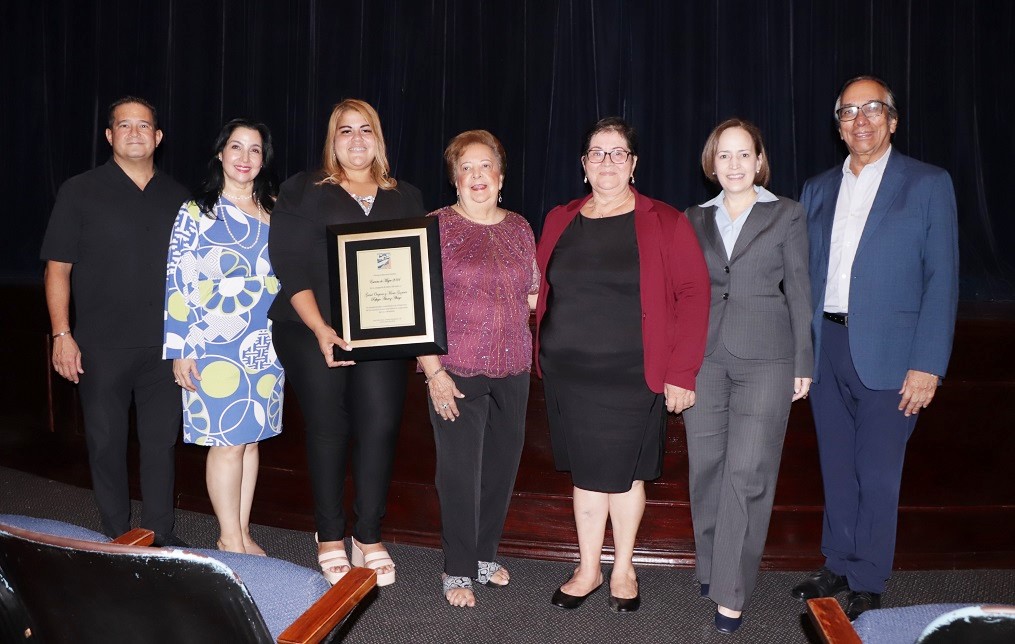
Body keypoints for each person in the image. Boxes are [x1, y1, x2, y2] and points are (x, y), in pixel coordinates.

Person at [791, 76, 959, 620]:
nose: (860, 120)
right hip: (827, 346)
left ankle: (867, 576)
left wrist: (928, 364)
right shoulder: (817, 188)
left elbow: (942, 278)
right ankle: (837, 562)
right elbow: (807, 277)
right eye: (848, 112)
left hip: (893, 352)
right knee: (837, 465)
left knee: (879, 472)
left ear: (892, 119)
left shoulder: (929, 184)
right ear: (837, 126)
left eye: (872, 109)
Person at [534, 117, 710, 612]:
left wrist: (682, 372)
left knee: (626, 475)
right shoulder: (559, 217)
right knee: (587, 475)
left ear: (633, 164)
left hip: (633, 373)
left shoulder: (665, 221)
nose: (606, 162)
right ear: (583, 165)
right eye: (596, 152)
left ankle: (624, 567)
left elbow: (694, 295)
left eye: (617, 153)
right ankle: (588, 568)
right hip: (569, 371)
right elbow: (542, 284)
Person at [268, 99, 425, 586]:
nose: (357, 140)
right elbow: (290, 266)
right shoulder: (302, 190)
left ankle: (369, 534)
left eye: (366, 131)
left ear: (379, 139)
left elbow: (417, 274)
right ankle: (330, 535)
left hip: (382, 334)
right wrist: (320, 330)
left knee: (379, 426)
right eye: (345, 131)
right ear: (331, 140)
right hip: (309, 328)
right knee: (329, 426)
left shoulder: (406, 197)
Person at [40, 96, 190, 546]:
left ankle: (159, 534)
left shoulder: (180, 197)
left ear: (158, 137)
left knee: (161, 445)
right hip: (99, 346)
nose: (135, 133)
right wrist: (62, 335)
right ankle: (120, 537)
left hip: (164, 348)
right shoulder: (79, 190)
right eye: (124, 126)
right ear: (109, 136)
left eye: (144, 126)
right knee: (106, 445)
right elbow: (57, 269)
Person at [682, 118, 812, 633]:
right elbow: (685, 294)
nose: (734, 165)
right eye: (724, 155)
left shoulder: (787, 214)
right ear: (711, 164)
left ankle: (732, 590)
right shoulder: (693, 218)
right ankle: (712, 564)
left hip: (767, 358)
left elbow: (801, 290)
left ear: (759, 161)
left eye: (744, 155)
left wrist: (804, 362)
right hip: (706, 358)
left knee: (748, 474)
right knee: (707, 468)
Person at [417, 130, 539, 608]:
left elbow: (531, 294)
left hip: (513, 367)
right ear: (454, 179)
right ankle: (458, 568)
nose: (476, 175)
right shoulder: (435, 226)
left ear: (501, 176)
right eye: (465, 167)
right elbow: (418, 306)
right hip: (455, 369)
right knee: (459, 473)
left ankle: (485, 555)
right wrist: (433, 372)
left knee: (501, 469)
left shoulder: (521, 228)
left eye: (485, 165)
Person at [162, 118, 283, 555]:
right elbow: (178, 282)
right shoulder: (196, 211)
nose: (245, 158)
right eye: (236, 147)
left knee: (250, 441)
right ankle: (228, 537)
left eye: (255, 149)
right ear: (220, 154)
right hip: (212, 341)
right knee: (227, 440)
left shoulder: (275, 209)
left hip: (264, 343)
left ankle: (242, 531)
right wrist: (180, 349)